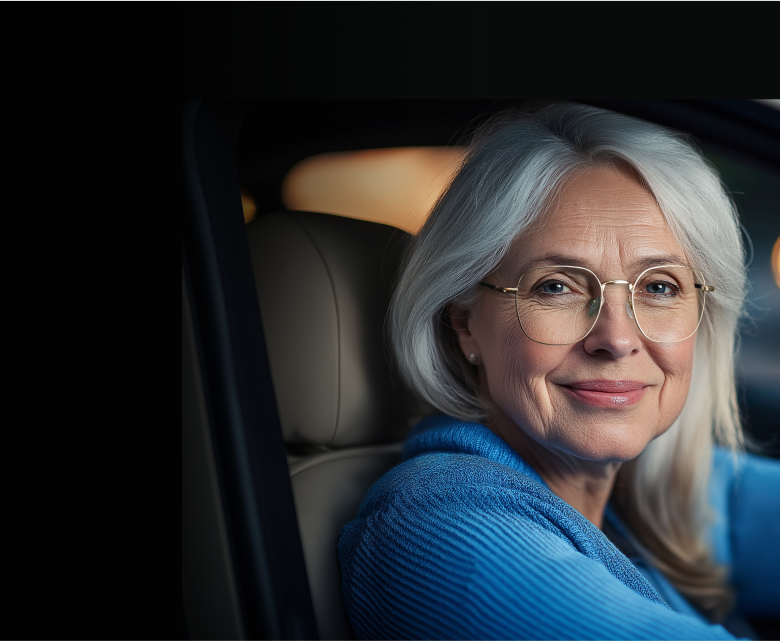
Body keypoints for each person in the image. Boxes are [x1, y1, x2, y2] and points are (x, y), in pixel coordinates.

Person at [337, 104, 780, 641]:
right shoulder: (442, 530)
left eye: (660, 286)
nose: (616, 339)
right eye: (556, 287)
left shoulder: (662, 481)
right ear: (465, 324)